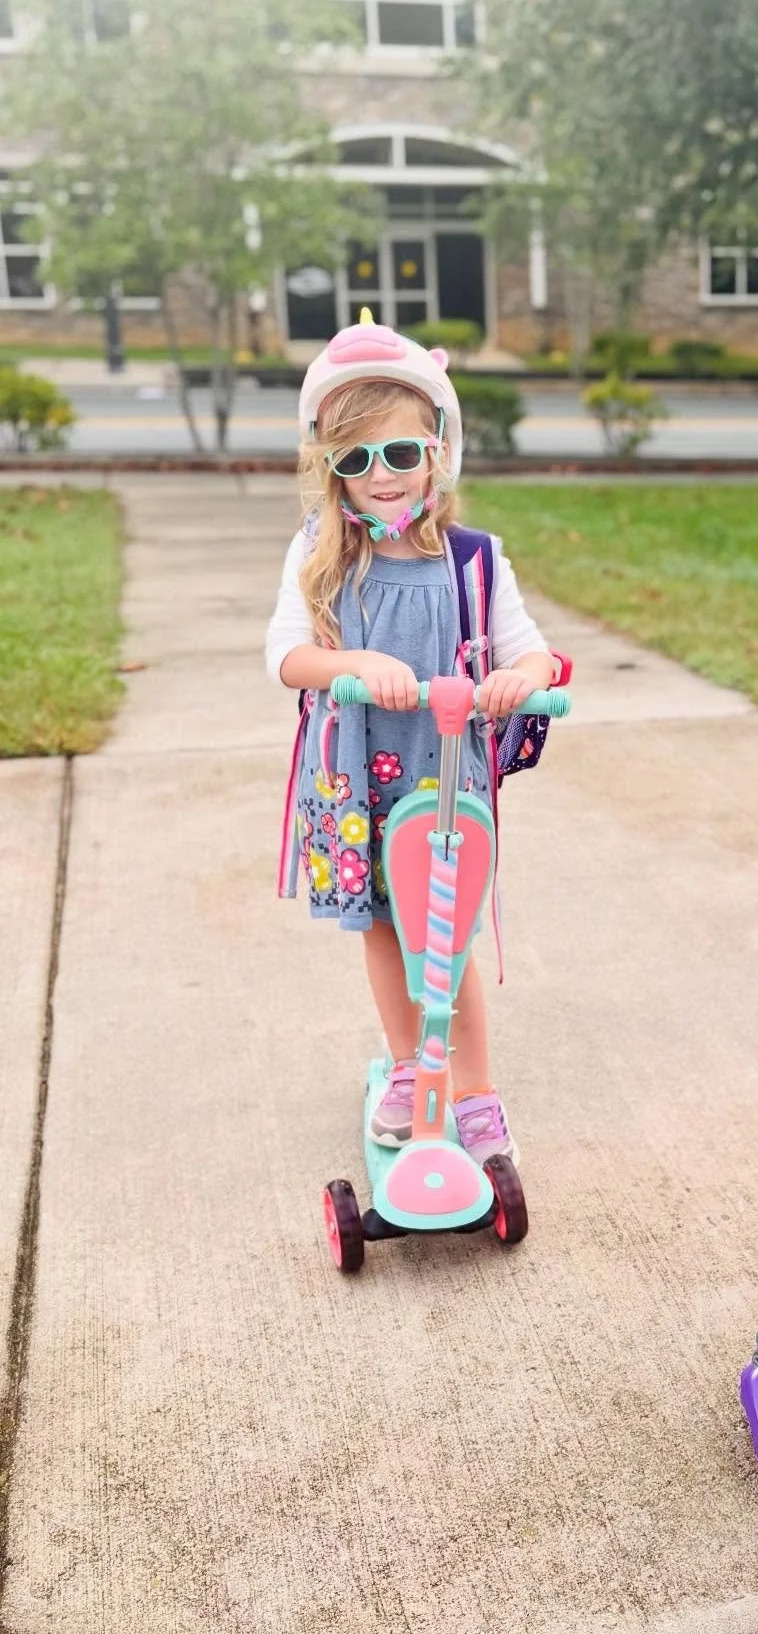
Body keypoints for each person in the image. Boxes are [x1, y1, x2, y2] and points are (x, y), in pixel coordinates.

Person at [265, 311, 559, 1164]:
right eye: (356, 461)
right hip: (359, 775)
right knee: (385, 929)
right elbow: (285, 655)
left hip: (444, 777)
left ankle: (475, 1090)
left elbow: (533, 651)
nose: (382, 476)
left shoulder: (474, 560)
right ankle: (407, 1067)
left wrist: (520, 678)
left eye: (399, 453)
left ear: (438, 450)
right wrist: (351, 661)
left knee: (449, 935)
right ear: (331, 470)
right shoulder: (320, 554)